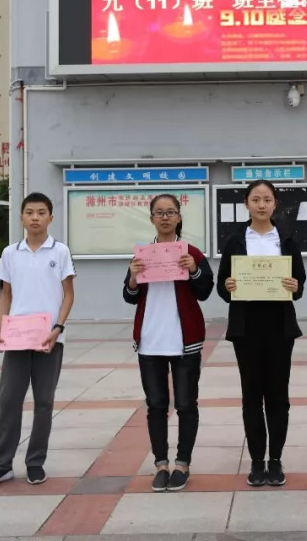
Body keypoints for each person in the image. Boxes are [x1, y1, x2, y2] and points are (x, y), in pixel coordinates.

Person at [0, 192, 76, 490]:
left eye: (41, 212)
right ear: (21, 217)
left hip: (49, 338)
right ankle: (1, 465)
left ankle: (35, 463)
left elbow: (68, 293)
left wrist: (58, 327)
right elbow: (5, 294)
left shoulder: (60, 252)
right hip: (17, 338)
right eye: (30, 212)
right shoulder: (10, 253)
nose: (35, 217)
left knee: (43, 402)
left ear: (50, 218)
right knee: (8, 401)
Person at [217, 180, 307, 487]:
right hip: (247, 327)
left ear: (275, 203)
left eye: (267, 199)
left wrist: (295, 287)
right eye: (255, 199)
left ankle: (276, 460)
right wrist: (229, 286)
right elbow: (222, 287)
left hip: (279, 327)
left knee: (278, 396)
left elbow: (300, 283)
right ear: (246, 203)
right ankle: (257, 460)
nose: (261, 204)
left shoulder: (287, 238)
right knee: (252, 396)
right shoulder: (234, 240)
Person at [124, 193, 213, 492]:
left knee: (187, 404)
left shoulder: (191, 253)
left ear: (178, 218)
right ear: (151, 218)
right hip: (150, 341)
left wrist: (194, 270)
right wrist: (133, 279)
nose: (164, 217)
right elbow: (129, 296)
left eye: (170, 212)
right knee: (156, 405)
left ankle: (183, 463)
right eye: (159, 212)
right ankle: (161, 464)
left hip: (184, 341)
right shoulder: (142, 255)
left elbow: (205, 291)